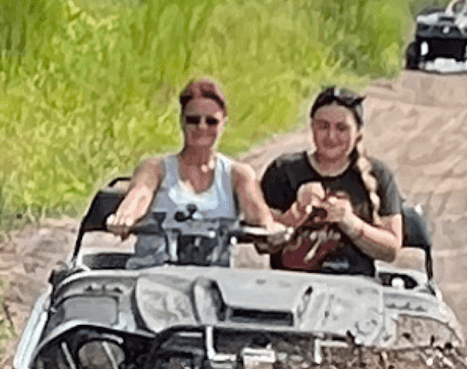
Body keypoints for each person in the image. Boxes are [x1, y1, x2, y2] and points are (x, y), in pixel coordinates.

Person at [106, 77, 279, 236]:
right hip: (155, 269)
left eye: (211, 121)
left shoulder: (239, 175)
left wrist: (270, 229)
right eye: (193, 120)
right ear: (182, 121)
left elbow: (257, 214)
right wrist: (126, 216)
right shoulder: (155, 169)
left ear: (223, 124)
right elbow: (140, 193)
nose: (202, 127)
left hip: (215, 270)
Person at [260, 85, 402, 276]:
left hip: (355, 285)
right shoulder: (283, 171)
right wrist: (296, 214)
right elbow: (261, 243)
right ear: (312, 127)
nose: (331, 136)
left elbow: (391, 249)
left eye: (341, 128)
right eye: (323, 126)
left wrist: (350, 222)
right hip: (290, 283)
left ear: (358, 133)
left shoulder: (378, 175)